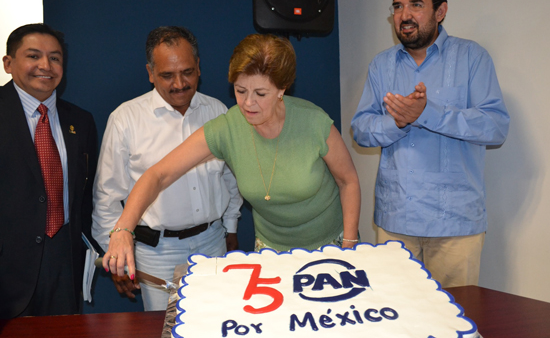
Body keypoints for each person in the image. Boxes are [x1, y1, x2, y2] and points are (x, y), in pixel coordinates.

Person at [102, 33, 361, 279]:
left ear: (282, 88)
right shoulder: (228, 128)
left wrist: (349, 245)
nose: (248, 103)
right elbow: (159, 174)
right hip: (272, 252)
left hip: (332, 245)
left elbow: (347, 181)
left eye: (260, 94)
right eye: (240, 91)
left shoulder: (314, 122)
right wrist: (123, 228)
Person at [351, 0, 510, 288]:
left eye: (415, 5)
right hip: (395, 224)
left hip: (456, 227)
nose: (404, 16)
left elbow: (495, 126)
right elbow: (361, 130)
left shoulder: (472, 58)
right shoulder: (381, 65)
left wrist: (428, 113)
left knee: (456, 324)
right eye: (397, 7)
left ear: (441, 11)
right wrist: (397, 120)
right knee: (398, 321)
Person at [92, 26, 242, 311]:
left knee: (218, 320)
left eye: (187, 71)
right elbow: (107, 199)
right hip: (156, 252)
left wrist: (231, 226)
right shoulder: (126, 119)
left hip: (213, 242)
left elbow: (230, 178)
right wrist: (116, 257)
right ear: (150, 72)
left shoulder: (218, 112)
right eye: (167, 75)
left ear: (199, 67)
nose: (179, 84)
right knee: (166, 327)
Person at [0, 23, 98, 318]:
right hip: (8, 267)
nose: (46, 65)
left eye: (55, 58)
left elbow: (87, 194)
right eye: (34, 56)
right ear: (8, 63)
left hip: (64, 261)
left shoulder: (81, 120)